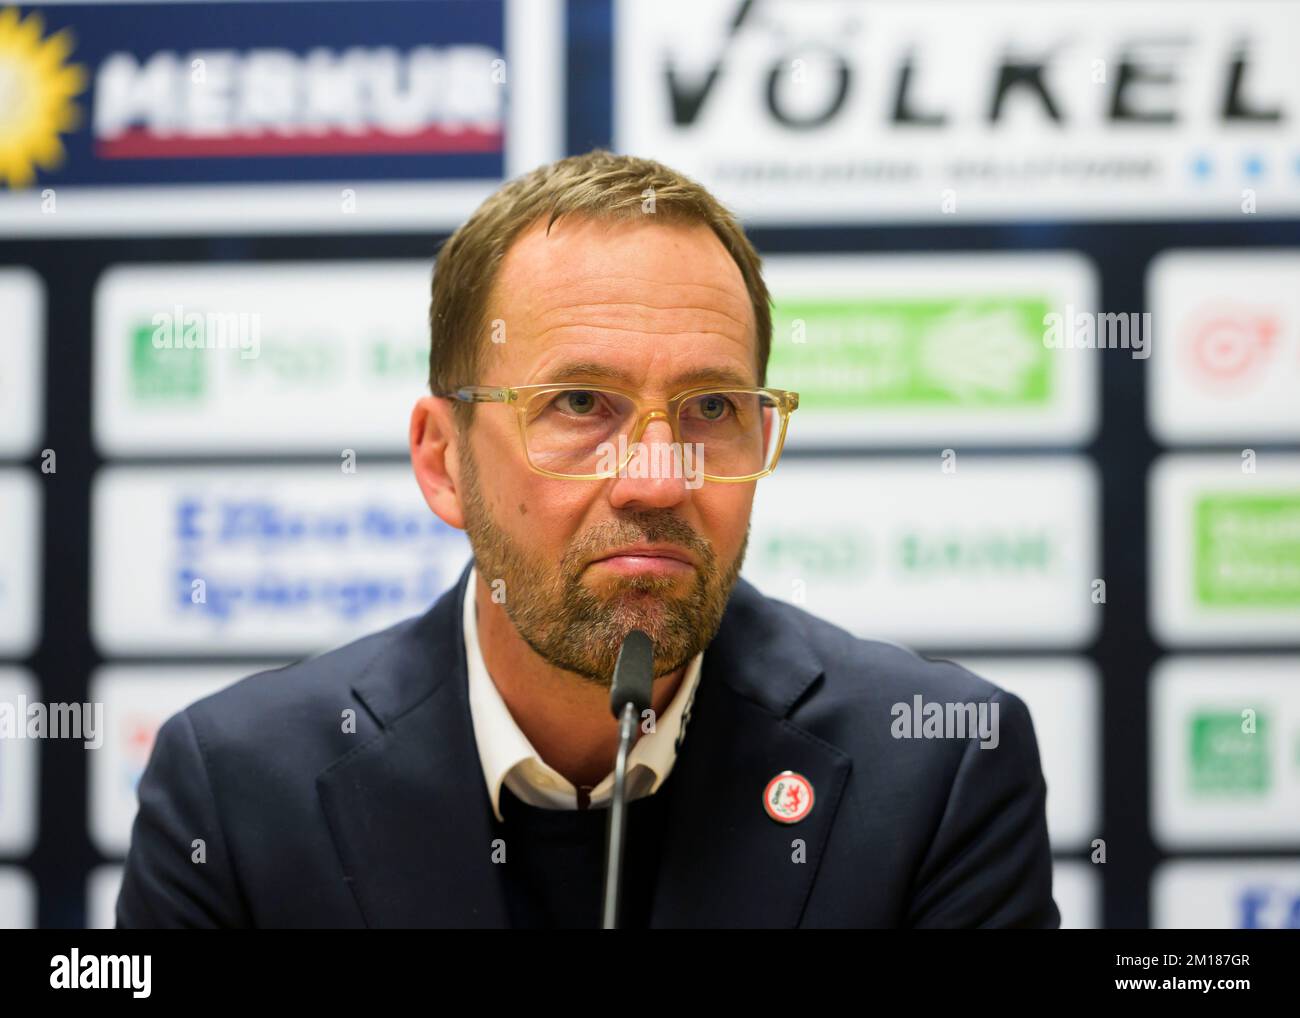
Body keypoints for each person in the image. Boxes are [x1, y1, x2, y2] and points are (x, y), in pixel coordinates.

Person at [116, 150, 1059, 928]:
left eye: (712, 408)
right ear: (444, 460)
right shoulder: (236, 788)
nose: (659, 479)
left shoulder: (937, 769)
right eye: (578, 404)